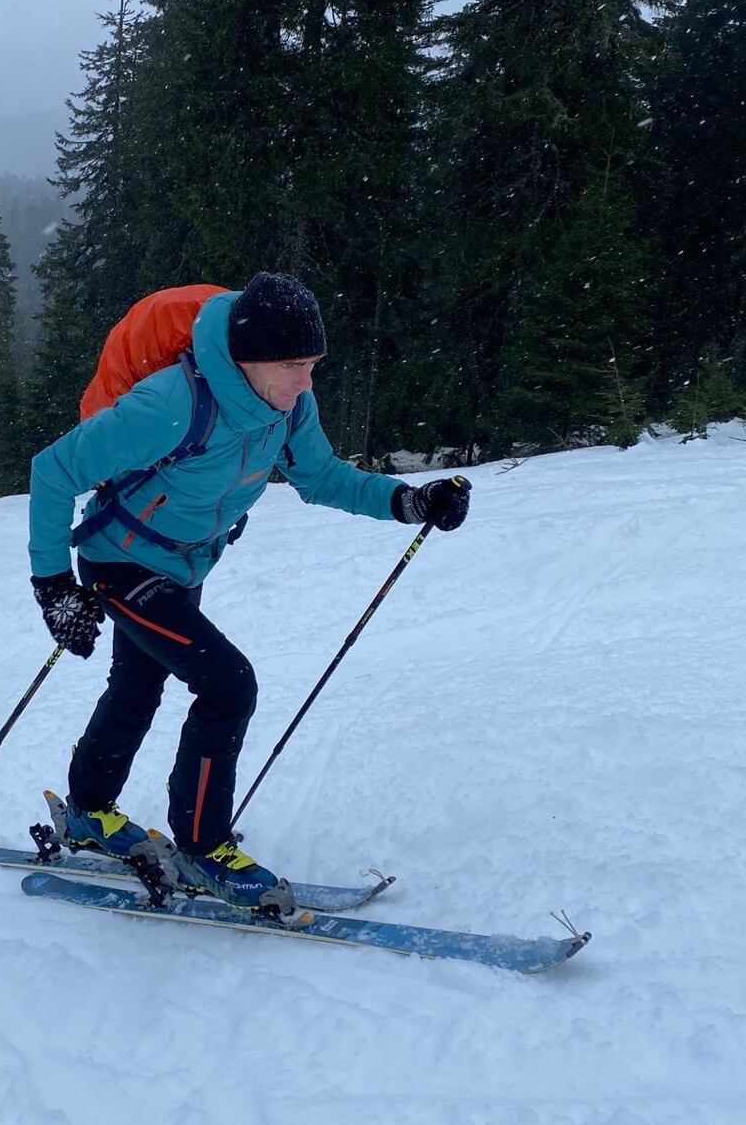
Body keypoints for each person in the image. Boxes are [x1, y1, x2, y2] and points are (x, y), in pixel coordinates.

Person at [27, 273, 469, 918]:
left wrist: (408, 501)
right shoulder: (170, 404)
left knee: (138, 685)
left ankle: (88, 810)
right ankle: (202, 847)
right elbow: (53, 470)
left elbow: (322, 476)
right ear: (247, 358)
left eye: (313, 365)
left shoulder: (288, 408)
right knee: (228, 685)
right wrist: (53, 586)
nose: (305, 382)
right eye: (292, 366)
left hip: (185, 565)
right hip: (119, 561)